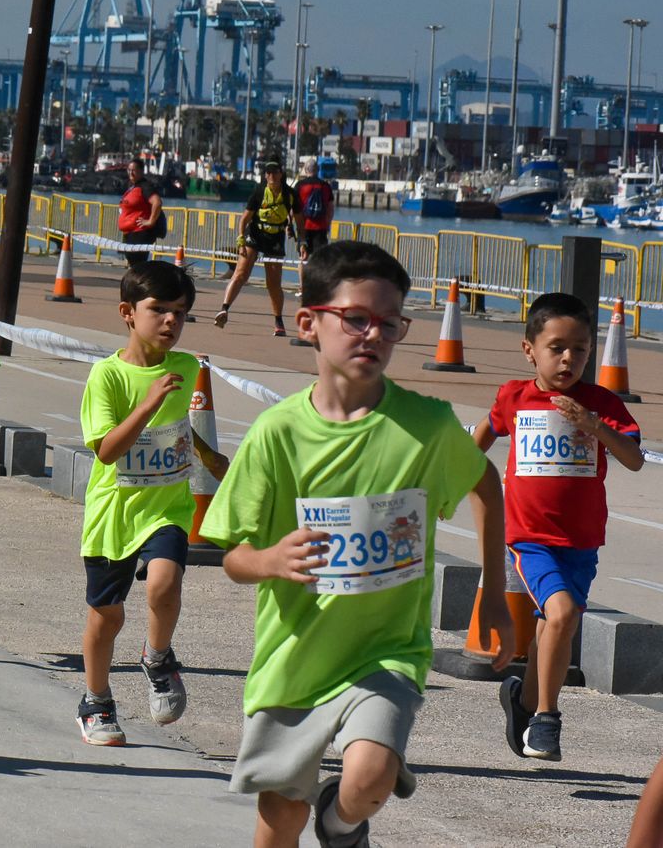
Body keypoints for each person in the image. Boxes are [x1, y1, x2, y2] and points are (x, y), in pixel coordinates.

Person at [199, 242, 514, 848]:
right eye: (356, 319)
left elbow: (485, 483)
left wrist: (493, 592)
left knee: (371, 776)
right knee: (278, 820)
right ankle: (315, 812)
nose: (373, 335)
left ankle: (341, 824)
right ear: (309, 323)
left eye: (389, 323)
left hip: (387, 652)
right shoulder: (277, 434)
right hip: (294, 660)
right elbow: (233, 556)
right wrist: (269, 559)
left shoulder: (426, 425)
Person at [474, 292, 642, 763]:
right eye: (557, 347)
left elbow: (632, 459)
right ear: (530, 349)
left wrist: (596, 427)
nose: (570, 358)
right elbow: (482, 437)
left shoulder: (601, 403)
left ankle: (522, 701)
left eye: (581, 349)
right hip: (530, 538)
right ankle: (547, 720)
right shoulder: (515, 397)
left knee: (556, 626)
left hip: (582, 540)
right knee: (562, 614)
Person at [76, 261, 229, 745]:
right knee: (108, 616)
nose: (170, 321)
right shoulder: (108, 377)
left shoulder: (187, 368)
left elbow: (178, 428)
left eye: (180, 313)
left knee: (165, 583)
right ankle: (96, 701)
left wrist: (209, 456)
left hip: (167, 506)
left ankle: (158, 657)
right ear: (127, 312)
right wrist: (147, 403)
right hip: (114, 512)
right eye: (158, 310)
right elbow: (106, 449)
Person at [213, 160, 302, 337]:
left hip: (275, 237)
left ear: (281, 174)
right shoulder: (259, 192)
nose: (271, 176)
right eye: (268, 173)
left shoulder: (290, 194)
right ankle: (224, 309)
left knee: (273, 283)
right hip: (254, 233)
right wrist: (240, 241)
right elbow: (244, 219)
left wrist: (302, 241)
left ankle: (278, 320)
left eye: (275, 172)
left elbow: (300, 220)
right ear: (264, 175)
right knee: (241, 273)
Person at [116, 158, 165, 266]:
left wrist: (150, 221)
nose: (130, 173)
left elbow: (157, 202)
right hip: (130, 233)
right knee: (134, 266)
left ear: (141, 171)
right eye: (129, 170)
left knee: (138, 266)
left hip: (139, 233)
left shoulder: (145, 187)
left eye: (134, 170)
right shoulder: (133, 187)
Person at [295, 155, 336, 260]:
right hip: (320, 228)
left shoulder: (300, 186)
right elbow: (330, 210)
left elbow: (293, 208)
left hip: (303, 227)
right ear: (318, 169)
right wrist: (327, 225)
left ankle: (302, 277)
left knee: (302, 257)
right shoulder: (326, 186)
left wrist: (290, 225)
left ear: (305, 169)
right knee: (320, 259)